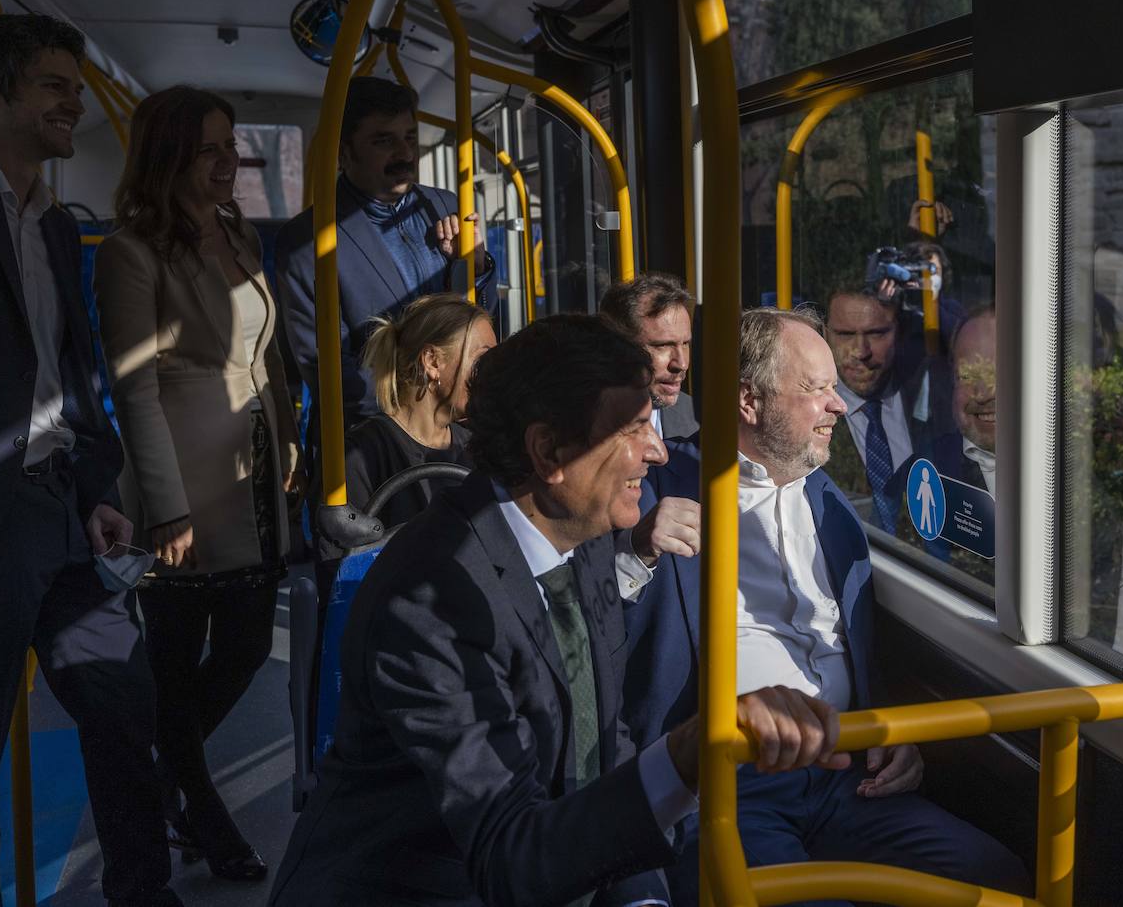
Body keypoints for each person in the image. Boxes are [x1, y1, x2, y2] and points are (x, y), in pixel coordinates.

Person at [269, 315, 851, 907]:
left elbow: (601, 746)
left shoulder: (584, 539)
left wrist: (642, 899)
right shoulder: (433, 600)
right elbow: (505, 856)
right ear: (549, 451)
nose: (655, 450)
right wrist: (689, 756)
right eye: (632, 427)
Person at [620, 307, 1028, 906]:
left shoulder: (831, 504)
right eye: (816, 389)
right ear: (748, 402)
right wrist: (636, 555)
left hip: (846, 770)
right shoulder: (659, 492)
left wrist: (891, 730)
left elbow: (852, 643)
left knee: (997, 877)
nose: (839, 405)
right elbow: (592, 633)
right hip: (731, 783)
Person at [0, 14, 178, 907]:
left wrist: (95, 482)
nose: (74, 104)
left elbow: (71, 368)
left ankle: (141, 891)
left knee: (125, 704)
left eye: (76, 88)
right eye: (53, 85)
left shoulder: (54, 225)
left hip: (58, 502)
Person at [94, 85, 302, 883]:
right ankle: (202, 811)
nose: (229, 162)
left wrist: (286, 436)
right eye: (212, 148)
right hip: (180, 477)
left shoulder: (239, 231)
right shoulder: (130, 252)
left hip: (250, 473)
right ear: (169, 156)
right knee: (177, 663)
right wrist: (166, 503)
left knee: (248, 643)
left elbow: (266, 354)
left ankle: (164, 776)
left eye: (232, 145)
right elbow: (135, 388)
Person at [940, 305, 1123, 660]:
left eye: (1006, 370)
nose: (985, 391)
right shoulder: (935, 472)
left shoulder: (1117, 449)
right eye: (968, 374)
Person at [275, 76, 497, 454]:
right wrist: (416, 416)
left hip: (457, 428)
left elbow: (477, 320)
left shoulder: (445, 206)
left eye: (410, 138)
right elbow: (327, 366)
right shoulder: (307, 241)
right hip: (372, 438)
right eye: (384, 141)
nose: (404, 153)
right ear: (343, 153)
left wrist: (476, 265)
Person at [345, 292, 494, 528]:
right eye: (482, 362)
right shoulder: (361, 455)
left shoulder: (475, 447)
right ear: (433, 362)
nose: (491, 375)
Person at [821, 269, 954, 532]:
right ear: (826, 335)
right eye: (845, 335)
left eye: (877, 333)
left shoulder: (936, 398)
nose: (860, 352)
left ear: (900, 333)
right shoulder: (804, 412)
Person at [598, 272, 699, 439]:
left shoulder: (697, 420)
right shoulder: (578, 427)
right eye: (663, 345)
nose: (681, 364)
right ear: (617, 345)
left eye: (686, 344)